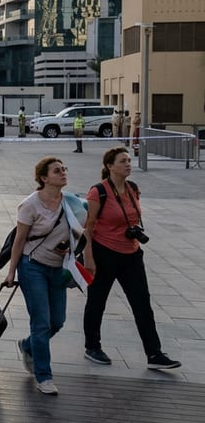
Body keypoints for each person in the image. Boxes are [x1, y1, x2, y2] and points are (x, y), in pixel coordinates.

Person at [82, 147, 180, 370]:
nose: (128, 164)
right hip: (104, 253)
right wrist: (89, 257)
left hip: (131, 253)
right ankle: (92, 346)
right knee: (97, 302)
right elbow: (88, 226)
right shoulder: (98, 192)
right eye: (123, 161)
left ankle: (154, 354)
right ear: (109, 166)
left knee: (142, 304)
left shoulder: (133, 188)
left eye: (129, 160)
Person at [5, 157, 87, 396]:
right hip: (33, 266)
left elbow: (81, 232)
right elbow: (19, 240)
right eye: (57, 171)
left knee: (57, 322)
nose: (63, 173)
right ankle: (44, 376)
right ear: (43, 178)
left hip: (58, 267)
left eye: (64, 169)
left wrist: (70, 248)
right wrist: (11, 271)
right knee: (41, 323)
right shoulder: (30, 205)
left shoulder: (70, 201)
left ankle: (27, 345)